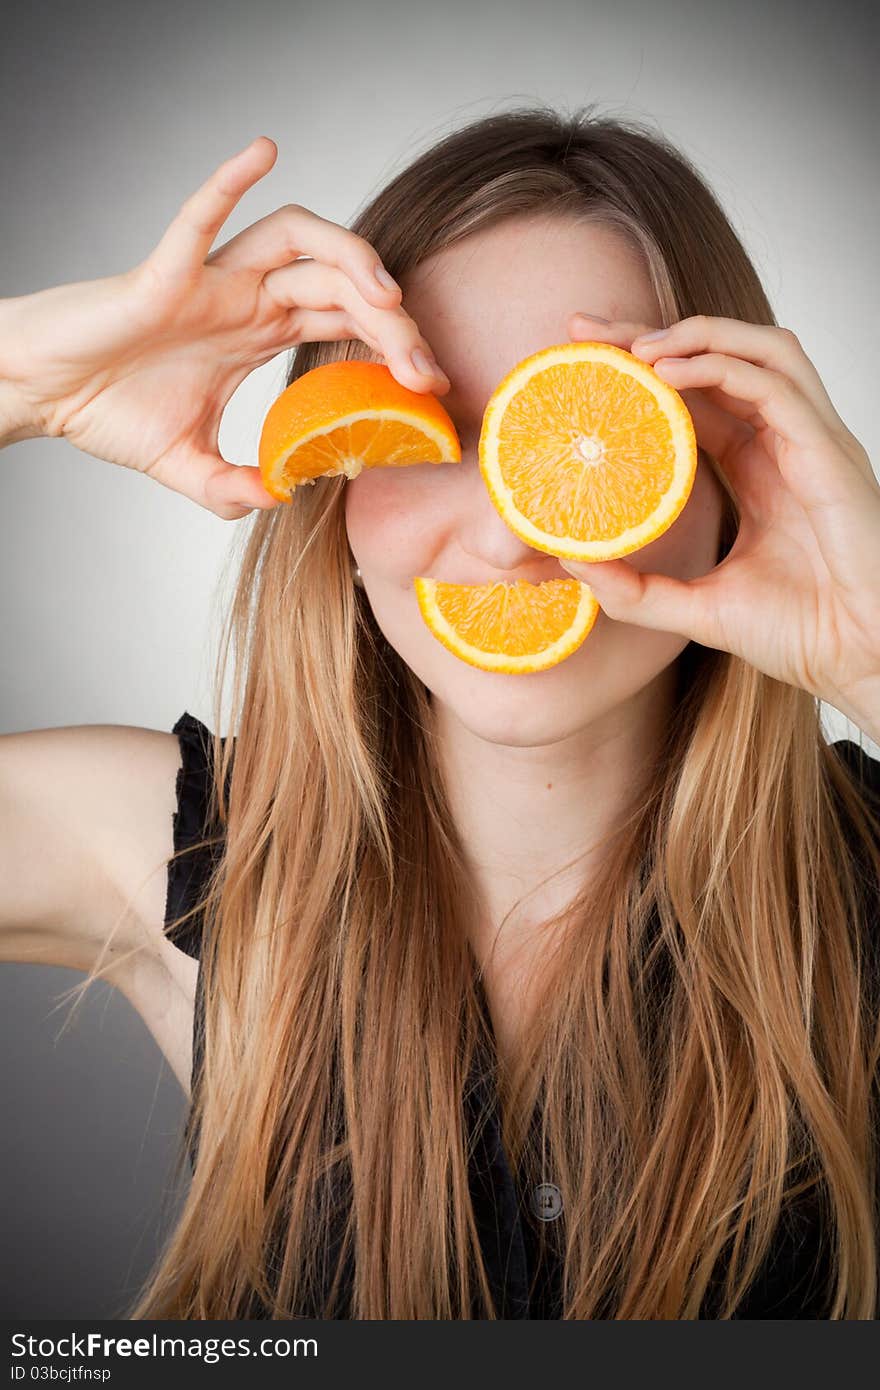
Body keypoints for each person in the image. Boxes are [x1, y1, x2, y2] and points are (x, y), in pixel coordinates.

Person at [2, 105, 880, 1321]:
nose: (513, 533)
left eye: (582, 437)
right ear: (336, 480)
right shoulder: (186, 848)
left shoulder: (862, 880)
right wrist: (22, 378)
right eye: (440, 431)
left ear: (736, 475)